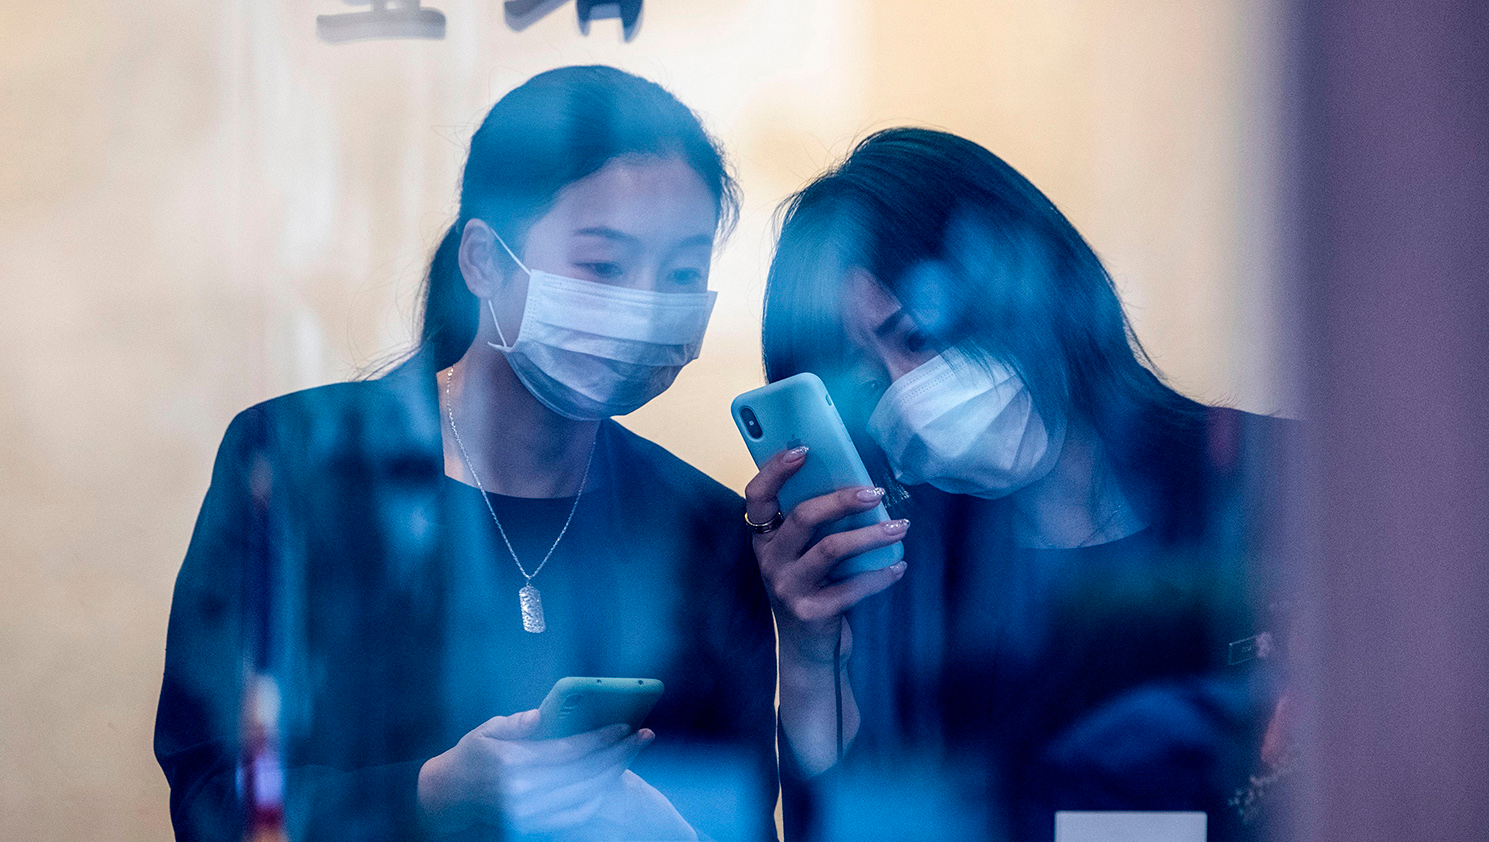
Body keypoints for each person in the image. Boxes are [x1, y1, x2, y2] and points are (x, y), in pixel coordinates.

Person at [155, 66, 777, 842]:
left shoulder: (703, 528)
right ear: (483, 261)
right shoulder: (299, 462)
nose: (646, 304)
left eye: (682, 272)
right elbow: (213, 793)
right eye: (604, 265)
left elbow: (742, 811)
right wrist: (425, 797)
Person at [744, 128, 1297, 842]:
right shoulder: (910, 584)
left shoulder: (1265, 482)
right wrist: (813, 656)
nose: (908, 394)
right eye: (865, 379)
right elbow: (851, 828)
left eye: (916, 336)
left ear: (1027, 286)